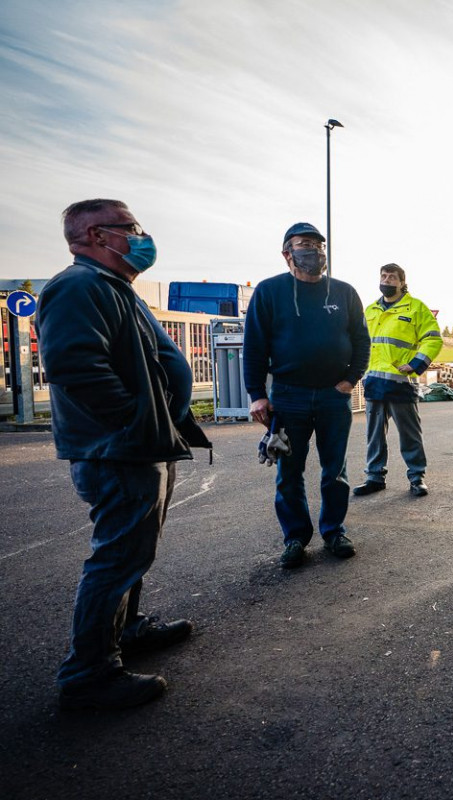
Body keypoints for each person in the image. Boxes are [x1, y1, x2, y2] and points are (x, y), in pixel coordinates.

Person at [38, 198, 212, 711]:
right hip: (118, 449)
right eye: (132, 228)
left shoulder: (115, 288)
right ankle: (88, 674)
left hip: (141, 443)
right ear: (95, 235)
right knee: (117, 556)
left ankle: (126, 628)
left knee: (136, 550)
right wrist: (133, 420)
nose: (142, 237)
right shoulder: (78, 286)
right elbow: (75, 367)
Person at [243, 222, 370, 568]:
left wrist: (350, 380)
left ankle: (334, 532)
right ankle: (296, 537)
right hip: (288, 397)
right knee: (288, 471)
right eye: (304, 244)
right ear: (287, 253)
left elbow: (362, 340)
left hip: (333, 397)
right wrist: (257, 394)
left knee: (335, 470)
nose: (313, 251)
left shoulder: (344, 292)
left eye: (318, 244)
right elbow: (254, 347)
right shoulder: (269, 292)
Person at [354, 263, 443, 498]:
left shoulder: (416, 308)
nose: (387, 280)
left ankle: (417, 477)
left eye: (392, 277)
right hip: (373, 382)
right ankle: (374, 477)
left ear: (402, 282)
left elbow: (433, 339)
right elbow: (361, 343)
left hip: (400, 383)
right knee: (374, 435)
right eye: (383, 276)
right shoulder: (371, 310)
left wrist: (415, 364)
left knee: (409, 434)